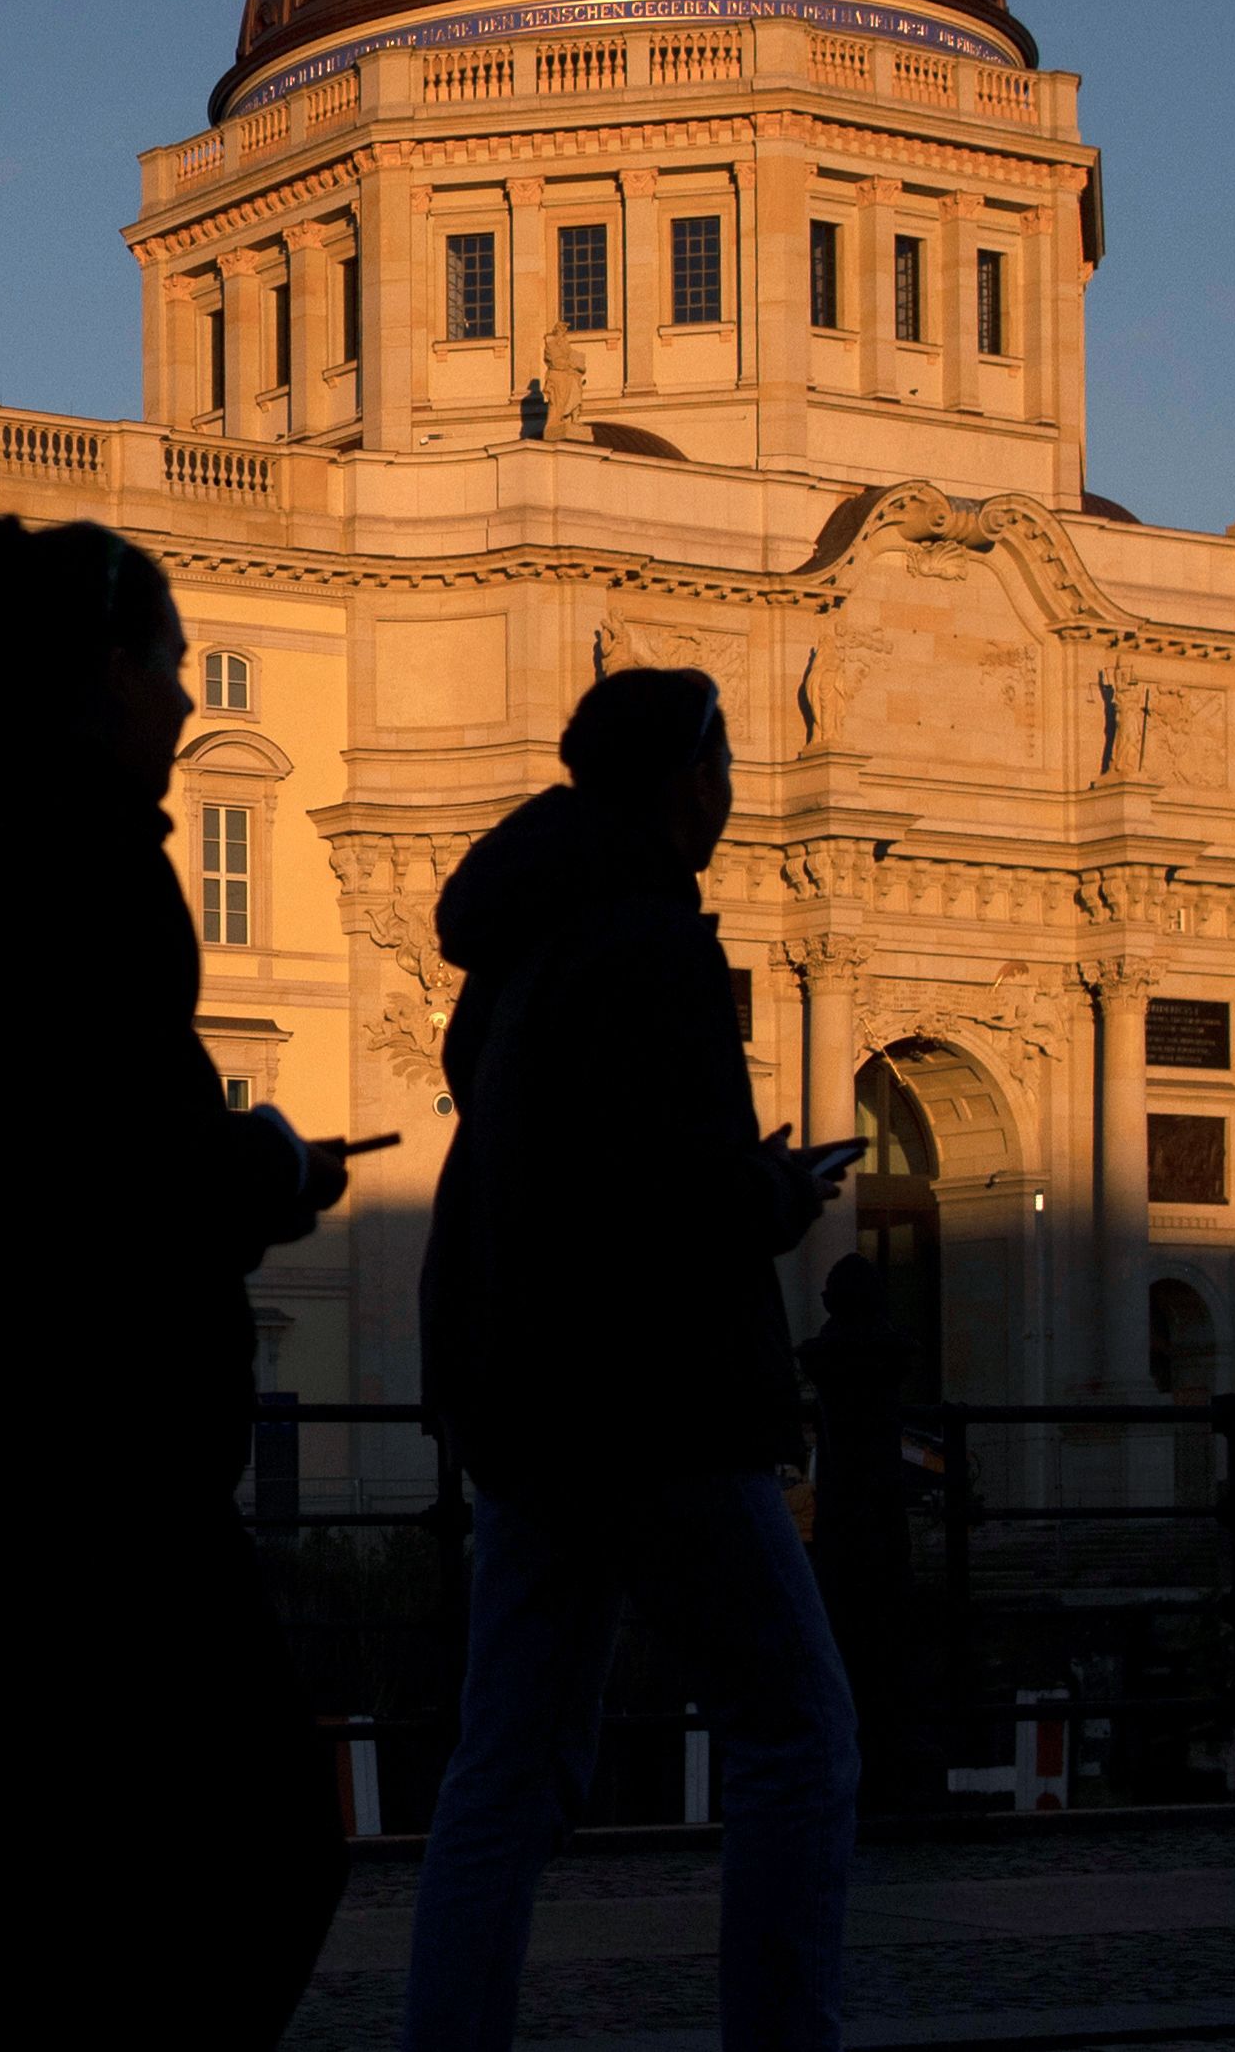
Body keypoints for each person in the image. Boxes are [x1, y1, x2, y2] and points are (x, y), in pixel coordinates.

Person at [0, 516, 357, 2050]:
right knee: (260, 1847)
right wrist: (270, 1169)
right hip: (97, 1440)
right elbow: (115, 1154)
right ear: (109, 671)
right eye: (174, 666)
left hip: (14, 1430)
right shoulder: (88, 857)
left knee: (40, 1878)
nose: (189, 702)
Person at [401, 670, 857, 2052]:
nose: (733, 786)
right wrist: (770, 1195)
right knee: (799, 1735)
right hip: (657, 1406)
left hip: (527, 1401)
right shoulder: (654, 940)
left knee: (505, 1768)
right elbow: (675, 1198)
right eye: (724, 759)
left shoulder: (522, 939)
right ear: (680, 777)